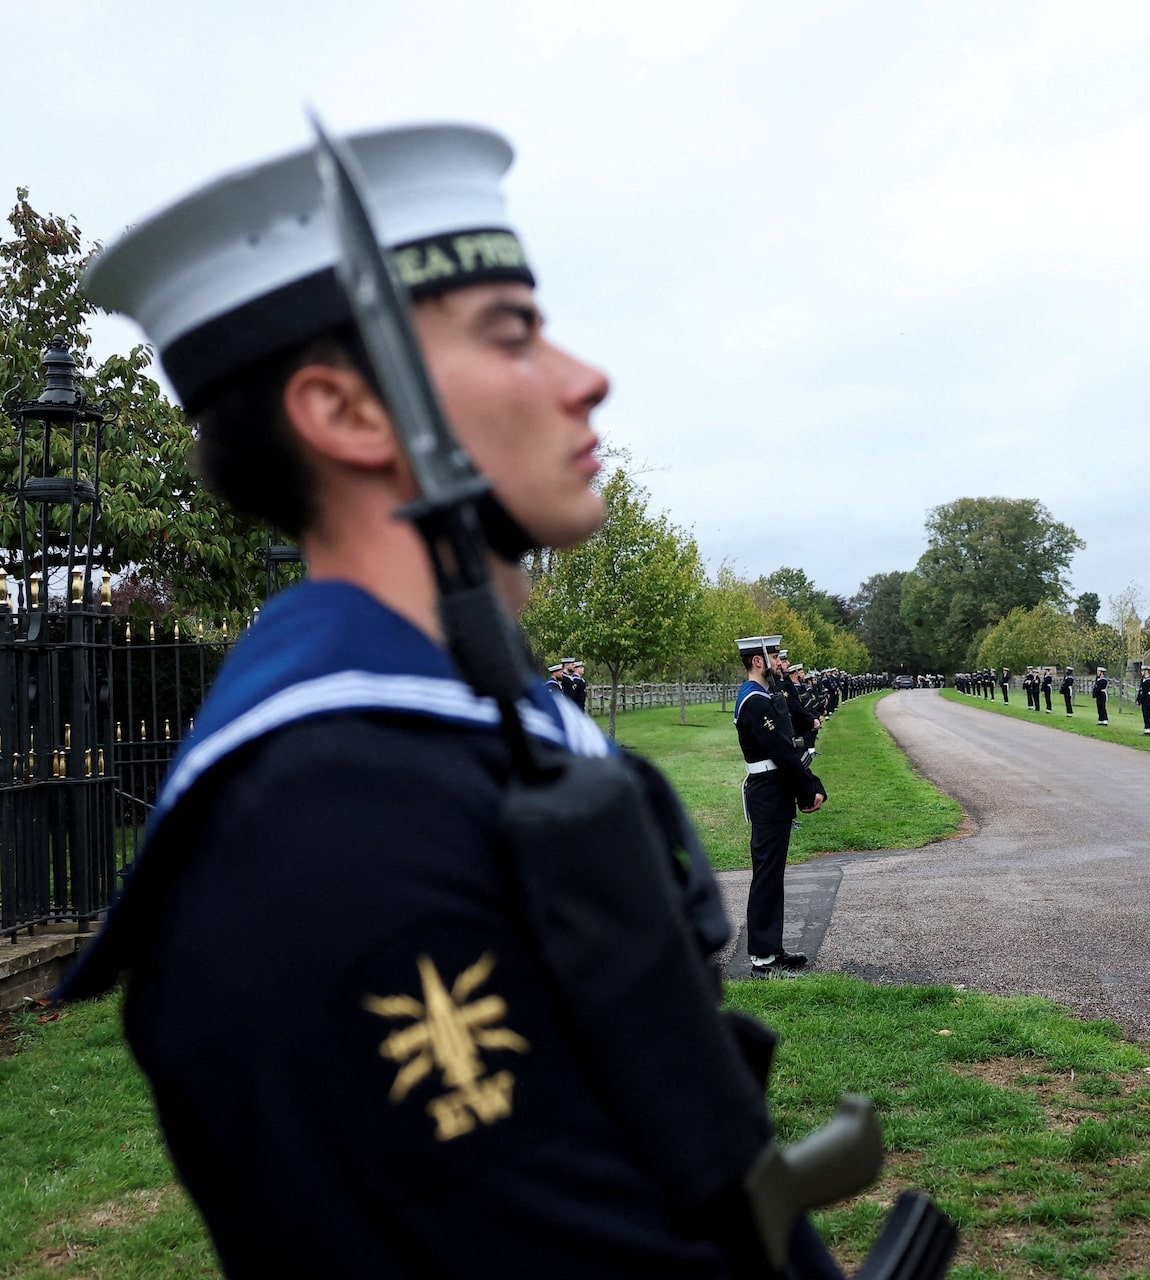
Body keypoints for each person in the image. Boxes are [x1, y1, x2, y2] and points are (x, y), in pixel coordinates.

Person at [57, 124, 849, 1278]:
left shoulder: (455, 737)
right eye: (512, 335)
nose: (587, 378)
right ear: (350, 412)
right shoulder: (327, 834)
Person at [735, 636, 828, 962]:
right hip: (767, 792)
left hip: (773, 789)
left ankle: (771, 948)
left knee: (772, 874)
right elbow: (782, 753)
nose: (779, 664)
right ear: (758, 661)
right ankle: (762, 955)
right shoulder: (755, 701)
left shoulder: (761, 696)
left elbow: (785, 750)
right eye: (773, 657)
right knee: (767, 874)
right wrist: (809, 787)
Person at [1136, 666, 1150, 735]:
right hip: (1144, 698)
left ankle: (1148, 730)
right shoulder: (1143, 680)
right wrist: (1138, 699)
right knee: (1144, 713)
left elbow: (1145, 692)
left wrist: (1140, 700)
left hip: (1147, 698)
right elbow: (1140, 690)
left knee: (1147, 714)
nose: (1141, 672)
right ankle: (1146, 729)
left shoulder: (1149, 680)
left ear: (1146, 671)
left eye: (1142, 671)